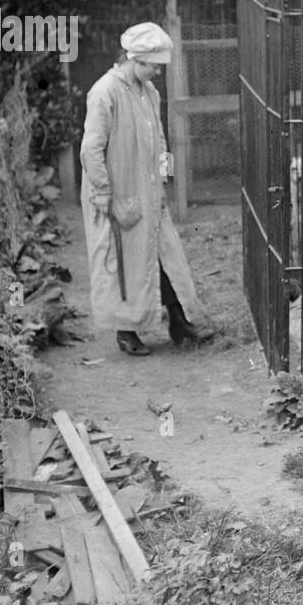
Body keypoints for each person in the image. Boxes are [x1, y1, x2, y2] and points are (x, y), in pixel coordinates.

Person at [80, 21, 210, 356]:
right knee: (123, 263)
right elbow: (90, 150)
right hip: (116, 194)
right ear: (134, 58)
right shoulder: (104, 92)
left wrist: (165, 179)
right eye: (154, 65)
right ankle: (126, 331)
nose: (157, 72)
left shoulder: (149, 92)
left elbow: (162, 142)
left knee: (165, 254)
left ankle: (179, 322)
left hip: (150, 191)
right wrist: (105, 194)